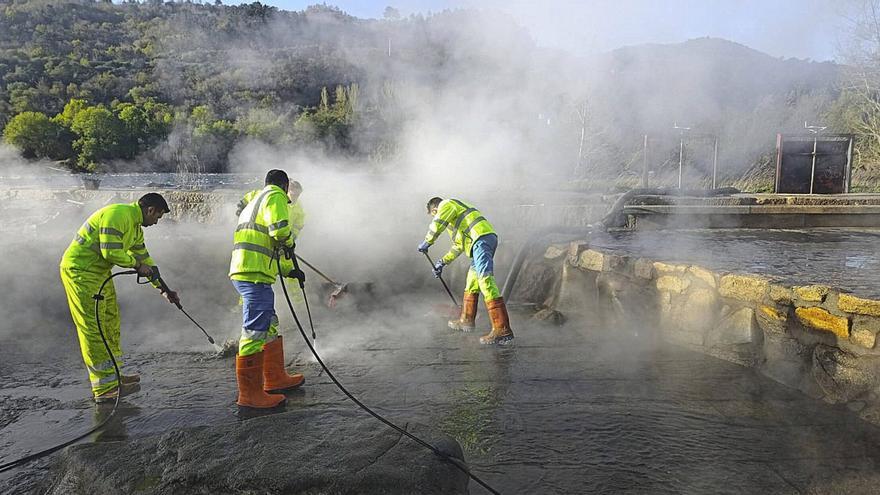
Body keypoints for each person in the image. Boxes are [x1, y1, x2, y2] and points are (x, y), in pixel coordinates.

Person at [60, 193, 180, 403]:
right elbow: (111, 252)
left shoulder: (135, 229)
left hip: (98, 273)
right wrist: (136, 265)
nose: (156, 222)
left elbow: (146, 260)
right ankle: (104, 388)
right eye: (158, 217)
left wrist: (162, 288)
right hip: (80, 272)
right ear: (151, 210)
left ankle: (114, 376)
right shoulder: (118, 214)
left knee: (110, 322)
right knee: (94, 328)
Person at [230, 169, 306, 409]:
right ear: (284, 186)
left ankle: (274, 378)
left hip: (252, 270)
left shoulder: (256, 198)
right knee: (254, 331)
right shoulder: (275, 196)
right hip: (253, 274)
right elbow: (280, 231)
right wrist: (290, 243)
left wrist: (289, 270)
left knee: (269, 324)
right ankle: (250, 394)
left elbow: (266, 245)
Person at [418, 197, 514, 345]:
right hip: (479, 242)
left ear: (435, 210)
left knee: (485, 280)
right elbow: (458, 246)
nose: (436, 217)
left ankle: (502, 329)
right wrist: (442, 262)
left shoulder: (446, 204)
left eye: (434, 214)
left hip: (481, 240)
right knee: (471, 282)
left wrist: (427, 241)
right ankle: (467, 320)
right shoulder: (458, 223)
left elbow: (437, 224)